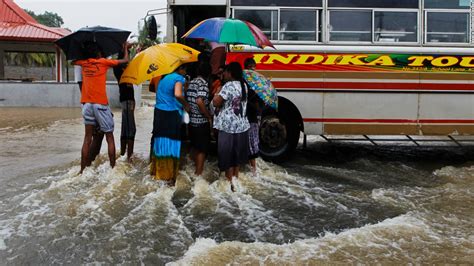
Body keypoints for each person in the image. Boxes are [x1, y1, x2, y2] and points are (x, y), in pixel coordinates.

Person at [73, 42, 129, 174]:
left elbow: (72, 62)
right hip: (100, 105)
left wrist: (84, 56)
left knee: (87, 138)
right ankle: (113, 169)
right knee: (110, 137)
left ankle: (82, 170)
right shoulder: (103, 62)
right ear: (98, 53)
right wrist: (125, 48)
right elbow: (125, 60)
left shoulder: (83, 63)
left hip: (86, 105)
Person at [212, 62, 250, 191]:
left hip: (228, 127)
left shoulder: (228, 86)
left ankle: (228, 183)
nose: (224, 74)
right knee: (236, 155)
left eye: (226, 72)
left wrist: (217, 93)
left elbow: (217, 103)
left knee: (227, 155)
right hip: (242, 126)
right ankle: (235, 180)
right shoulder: (244, 85)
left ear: (231, 73)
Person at [150, 64, 190, 184]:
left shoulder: (164, 78)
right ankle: (169, 178)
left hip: (159, 113)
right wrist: (186, 105)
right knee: (171, 144)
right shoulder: (178, 78)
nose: (185, 72)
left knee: (160, 143)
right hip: (171, 114)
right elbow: (178, 94)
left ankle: (157, 173)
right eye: (185, 69)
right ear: (180, 69)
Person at [186, 62, 212, 176]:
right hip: (201, 122)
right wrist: (208, 116)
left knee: (194, 146)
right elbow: (199, 101)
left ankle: (189, 171)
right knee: (202, 150)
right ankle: (198, 174)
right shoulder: (203, 84)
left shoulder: (192, 82)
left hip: (191, 121)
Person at [113, 50, 136, 162]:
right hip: (126, 101)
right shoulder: (118, 69)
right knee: (130, 129)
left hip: (128, 101)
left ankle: (124, 155)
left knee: (126, 128)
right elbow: (124, 60)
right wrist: (125, 48)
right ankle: (128, 157)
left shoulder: (125, 70)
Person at [244, 58, 262, 174]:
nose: (253, 70)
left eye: (254, 67)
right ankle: (252, 169)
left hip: (251, 117)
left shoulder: (253, 83)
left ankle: (253, 169)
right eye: (251, 67)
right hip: (249, 117)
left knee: (251, 143)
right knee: (251, 143)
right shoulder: (247, 82)